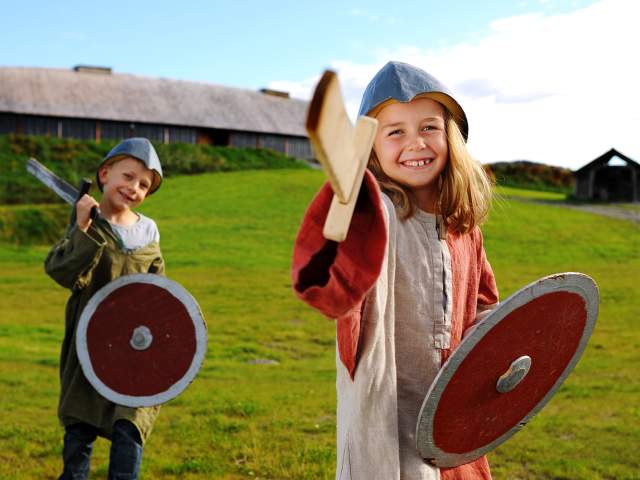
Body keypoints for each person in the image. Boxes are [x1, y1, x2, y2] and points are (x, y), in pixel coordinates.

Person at [291, 61, 499, 480]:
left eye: (428, 127)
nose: (415, 143)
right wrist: (346, 204)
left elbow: (483, 305)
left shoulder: (464, 229)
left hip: (449, 414)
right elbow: (331, 286)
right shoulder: (375, 216)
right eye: (395, 132)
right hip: (386, 419)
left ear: (451, 137)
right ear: (371, 149)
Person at [45, 137, 165, 479]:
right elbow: (61, 271)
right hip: (91, 345)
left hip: (136, 351)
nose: (134, 188)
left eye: (144, 185)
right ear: (105, 174)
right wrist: (81, 227)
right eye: (127, 177)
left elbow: (159, 287)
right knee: (79, 433)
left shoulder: (149, 230)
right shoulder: (87, 220)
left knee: (130, 426)